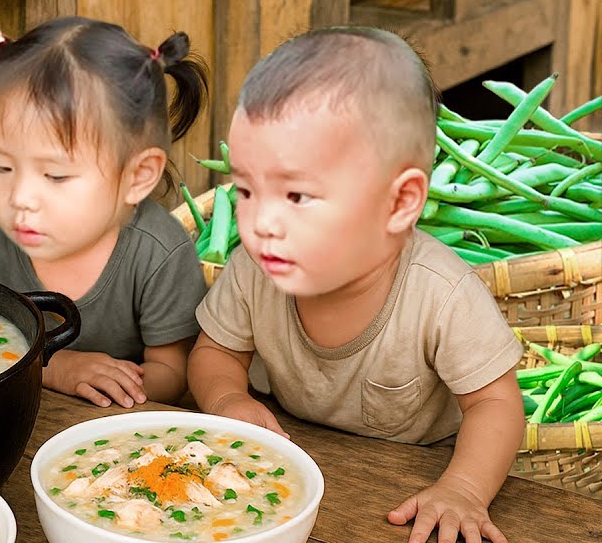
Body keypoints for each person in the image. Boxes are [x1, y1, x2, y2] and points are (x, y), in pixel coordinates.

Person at [187, 27, 524, 543]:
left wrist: (463, 488)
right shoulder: (256, 269)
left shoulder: (440, 293)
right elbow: (215, 352)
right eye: (248, 190)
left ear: (399, 203)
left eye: (297, 196)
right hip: (293, 462)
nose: (262, 224)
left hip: (412, 478)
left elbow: (495, 405)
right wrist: (227, 398)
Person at [0, 9, 209, 408]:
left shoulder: (158, 251)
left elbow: (173, 370)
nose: (21, 196)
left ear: (137, 176)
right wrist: (52, 366)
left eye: (56, 175)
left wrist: (110, 388)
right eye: (3, 167)